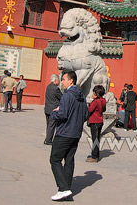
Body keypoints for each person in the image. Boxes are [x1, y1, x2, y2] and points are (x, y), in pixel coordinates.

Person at [49, 71, 88, 201]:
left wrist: (55, 113)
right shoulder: (82, 97)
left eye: (64, 79)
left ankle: (63, 188)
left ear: (71, 81)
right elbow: (86, 116)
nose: (62, 82)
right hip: (75, 133)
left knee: (55, 159)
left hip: (64, 133)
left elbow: (62, 114)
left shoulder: (67, 96)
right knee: (69, 160)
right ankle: (66, 188)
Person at [86, 84, 107, 163]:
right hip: (100, 121)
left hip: (94, 121)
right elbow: (104, 109)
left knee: (94, 139)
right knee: (97, 138)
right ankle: (95, 154)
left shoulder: (95, 101)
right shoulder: (103, 100)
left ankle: (94, 156)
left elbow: (89, 110)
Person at [44, 74, 62, 145]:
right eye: (58, 80)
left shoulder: (48, 86)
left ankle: (47, 138)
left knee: (48, 125)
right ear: (55, 80)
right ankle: (48, 140)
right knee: (51, 125)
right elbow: (61, 97)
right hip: (53, 109)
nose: (59, 82)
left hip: (47, 108)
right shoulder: (56, 88)